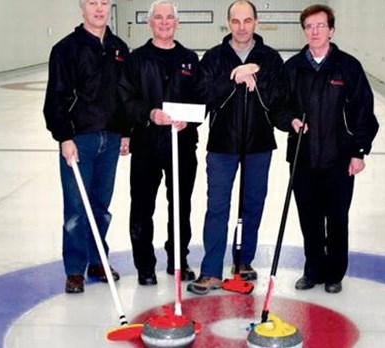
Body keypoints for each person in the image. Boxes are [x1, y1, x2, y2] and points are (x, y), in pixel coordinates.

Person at [275, 4, 379, 294]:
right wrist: (290, 120)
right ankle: (313, 269)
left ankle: (334, 273)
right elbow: (279, 108)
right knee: (309, 217)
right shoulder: (293, 68)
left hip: (338, 158)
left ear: (331, 30)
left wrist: (358, 152)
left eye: (320, 26)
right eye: (309, 26)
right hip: (302, 157)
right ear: (304, 31)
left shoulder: (348, 67)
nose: (315, 31)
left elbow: (364, 112)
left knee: (336, 217)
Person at [187, 0, 284, 295]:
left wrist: (256, 75)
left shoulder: (270, 58)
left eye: (247, 20)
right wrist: (235, 78)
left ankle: (243, 261)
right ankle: (211, 270)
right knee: (217, 207)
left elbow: (279, 97)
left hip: (259, 143)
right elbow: (202, 95)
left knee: (252, 205)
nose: (241, 27)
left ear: (256, 22)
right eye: (236, 21)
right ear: (228, 23)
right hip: (222, 144)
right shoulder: (214, 58)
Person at [43, 0, 130, 294]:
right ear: (82, 7)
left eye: (104, 2)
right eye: (92, 2)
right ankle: (75, 269)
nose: (99, 8)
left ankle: (97, 260)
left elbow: (126, 95)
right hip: (80, 140)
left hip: (112, 138)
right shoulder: (65, 49)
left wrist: (126, 131)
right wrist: (64, 138)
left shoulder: (119, 48)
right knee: (77, 210)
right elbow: (55, 98)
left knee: (101, 208)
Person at [118, 0, 200, 285]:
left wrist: (190, 119)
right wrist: (149, 114)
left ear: (176, 23)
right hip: (146, 145)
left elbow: (201, 98)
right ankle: (145, 266)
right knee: (142, 206)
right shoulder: (136, 59)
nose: (164, 22)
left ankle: (178, 259)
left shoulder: (189, 59)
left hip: (182, 144)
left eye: (170, 18)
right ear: (149, 22)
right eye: (158, 18)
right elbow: (126, 100)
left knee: (181, 205)